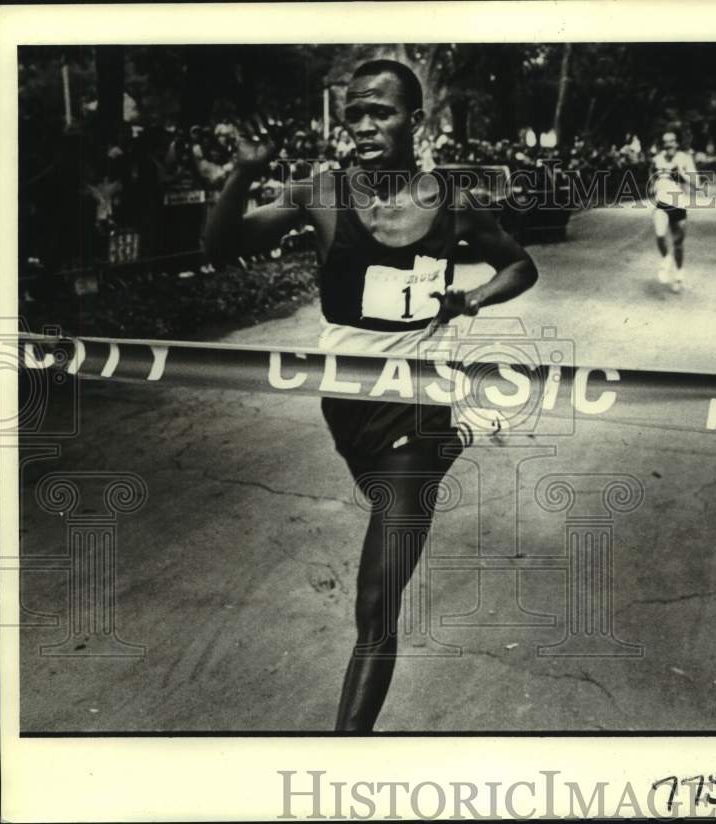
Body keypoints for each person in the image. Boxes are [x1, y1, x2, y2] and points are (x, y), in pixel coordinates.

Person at [204, 59, 538, 732]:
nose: (362, 125)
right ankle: (444, 447)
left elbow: (520, 265)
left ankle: (347, 749)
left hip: (416, 407)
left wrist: (470, 298)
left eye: (379, 112)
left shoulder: (454, 203)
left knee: (375, 604)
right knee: (385, 501)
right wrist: (243, 171)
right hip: (348, 411)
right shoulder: (320, 194)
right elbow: (219, 249)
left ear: (417, 121)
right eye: (353, 112)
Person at [650, 130, 697, 292]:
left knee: (678, 244)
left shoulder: (685, 158)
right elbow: (653, 178)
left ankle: (678, 276)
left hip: (679, 205)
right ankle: (666, 259)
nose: (668, 144)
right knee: (660, 235)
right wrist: (653, 187)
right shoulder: (657, 159)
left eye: (671, 141)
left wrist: (682, 175)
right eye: (665, 141)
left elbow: (697, 184)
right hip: (662, 204)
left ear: (677, 143)